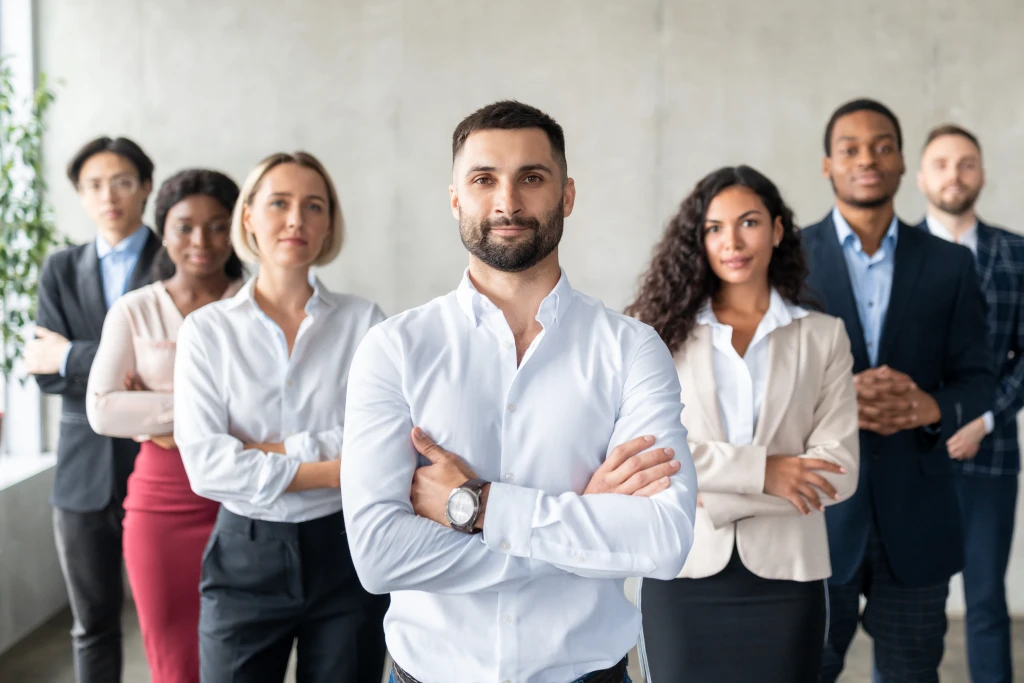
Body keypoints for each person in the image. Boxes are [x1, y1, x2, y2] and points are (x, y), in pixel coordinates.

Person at [341, 100, 698, 683]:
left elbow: (662, 541)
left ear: (567, 195)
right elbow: (379, 556)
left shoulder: (632, 349)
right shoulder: (394, 348)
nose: (508, 202)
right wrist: (585, 525)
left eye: (532, 178)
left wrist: (475, 507)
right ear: (455, 197)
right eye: (484, 179)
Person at [626, 165, 859, 683]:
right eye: (714, 228)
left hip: (788, 580)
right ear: (699, 240)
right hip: (681, 572)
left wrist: (707, 488)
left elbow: (838, 472)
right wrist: (768, 472)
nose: (731, 240)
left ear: (778, 230)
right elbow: (647, 453)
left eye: (749, 222)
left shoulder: (823, 337)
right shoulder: (658, 336)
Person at [173, 152, 389, 683]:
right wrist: (331, 468)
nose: (297, 219)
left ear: (329, 224)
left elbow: (378, 445)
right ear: (248, 216)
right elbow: (206, 465)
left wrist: (261, 452)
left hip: (346, 548)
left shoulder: (366, 323)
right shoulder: (206, 331)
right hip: (244, 553)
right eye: (279, 203)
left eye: (313, 206)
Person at [801, 99, 995, 683]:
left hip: (919, 515)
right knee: (805, 670)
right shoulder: (789, 262)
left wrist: (929, 406)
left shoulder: (949, 265)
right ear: (827, 165)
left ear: (903, 161)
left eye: (883, 146)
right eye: (851, 149)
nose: (868, 159)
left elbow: (980, 379)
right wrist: (838, 398)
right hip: (817, 514)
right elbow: (760, 381)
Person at [86, 169, 246, 683]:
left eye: (218, 226)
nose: (201, 242)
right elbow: (103, 409)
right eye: (184, 227)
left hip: (245, 497)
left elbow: (282, 412)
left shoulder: (256, 307)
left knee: (243, 658)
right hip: (162, 503)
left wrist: (154, 407)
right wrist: (216, 413)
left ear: (238, 229)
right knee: (174, 662)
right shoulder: (135, 309)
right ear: (164, 231)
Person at [26, 136, 161, 683]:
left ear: (146, 187)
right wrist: (114, 369)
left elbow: (182, 376)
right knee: (92, 625)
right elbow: (45, 374)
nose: (109, 195)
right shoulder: (60, 268)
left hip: (163, 463)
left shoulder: (177, 259)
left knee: (172, 620)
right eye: (94, 185)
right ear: (80, 195)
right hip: (81, 475)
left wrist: (72, 354)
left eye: (123, 181)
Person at [916, 124, 1023, 683]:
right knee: (910, 608)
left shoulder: (1016, 254)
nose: (953, 175)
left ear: (981, 173)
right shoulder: (898, 253)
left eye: (965, 163)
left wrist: (984, 419)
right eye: (941, 163)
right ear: (921, 175)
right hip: (913, 459)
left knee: (984, 602)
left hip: (993, 455)